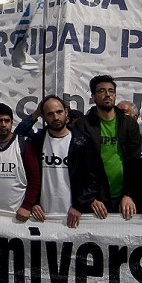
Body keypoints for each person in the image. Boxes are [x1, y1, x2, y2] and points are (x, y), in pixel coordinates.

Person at [77, 76, 142, 222]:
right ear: (93, 96)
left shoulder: (129, 124)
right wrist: (89, 197)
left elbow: (135, 161)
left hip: (123, 197)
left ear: (115, 95)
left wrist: (129, 194)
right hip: (95, 198)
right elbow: (78, 165)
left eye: (111, 91)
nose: (107, 94)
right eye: (102, 91)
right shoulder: (83, 125)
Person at [19, 95, 91, 225]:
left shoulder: (82, 142)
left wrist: (79, 205)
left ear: (66, 112)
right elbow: (30, 176)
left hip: (74, 214)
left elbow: (92, 178)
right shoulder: (36, 141)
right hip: (42, 215)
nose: (56, 117)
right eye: (50, 114)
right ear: (43, 116)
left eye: (59, 112)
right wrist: (33, 203)